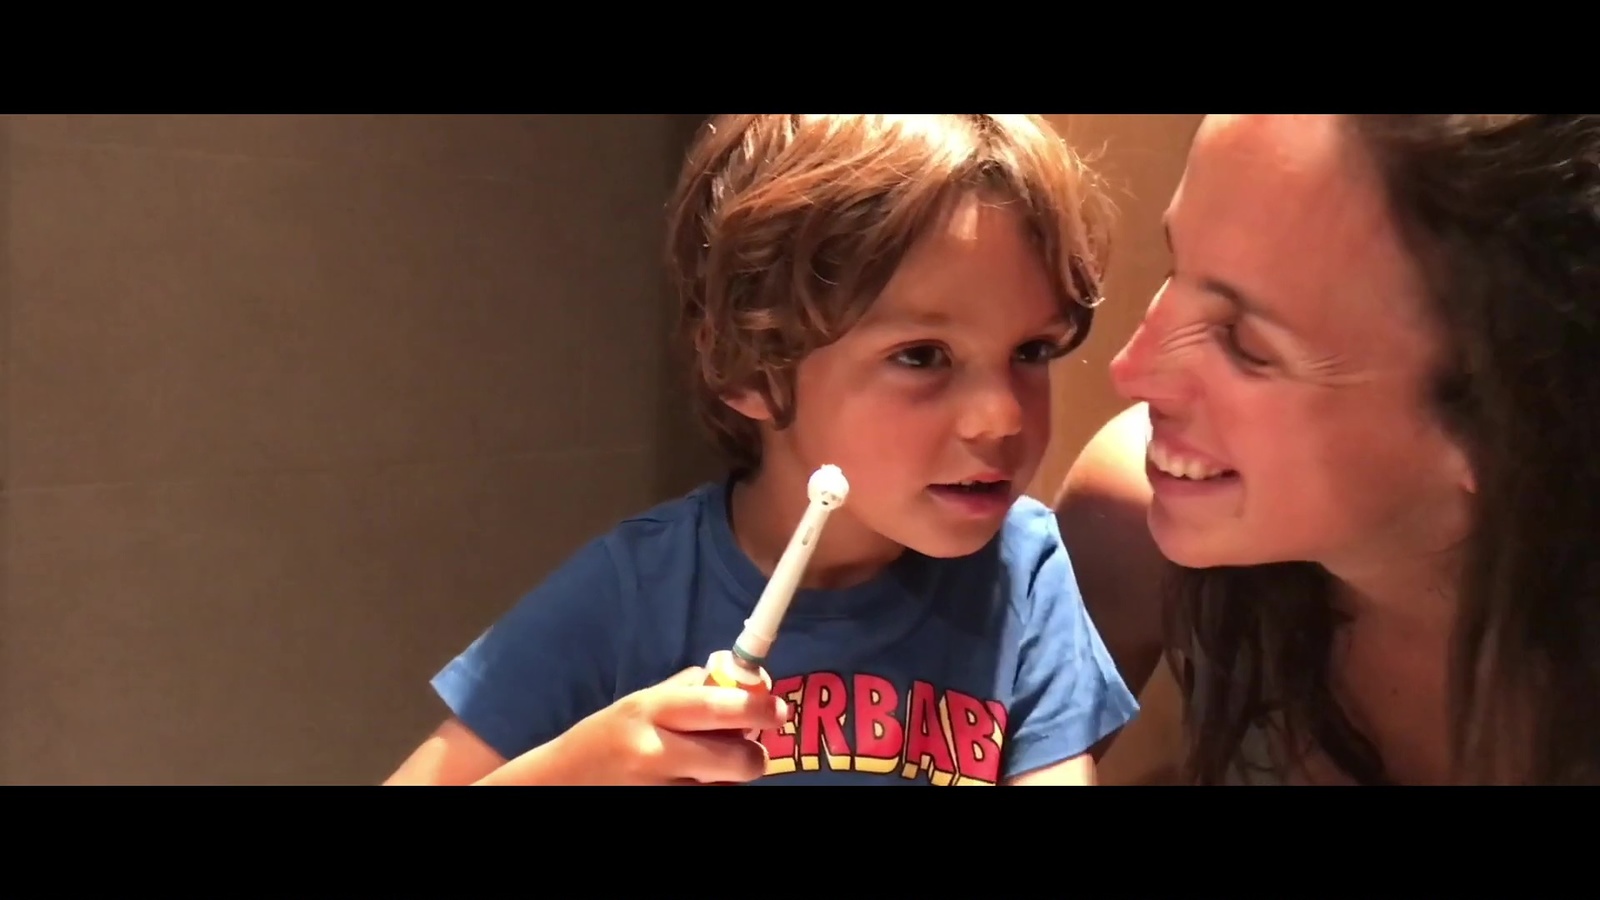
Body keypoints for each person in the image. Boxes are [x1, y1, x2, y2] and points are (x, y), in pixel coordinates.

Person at [386, 114, 1140, 786]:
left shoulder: (1026, 575)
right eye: (922, 356)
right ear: (751, 366)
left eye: (1033, 350)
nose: (1000, 417)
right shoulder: (634, 593)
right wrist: (584, 769)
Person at [1056, 114, 1600, 785]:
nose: (1130, 372)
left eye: (1245, 341)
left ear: (1505, 424)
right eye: (1178, 266)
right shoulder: (1128, 525)